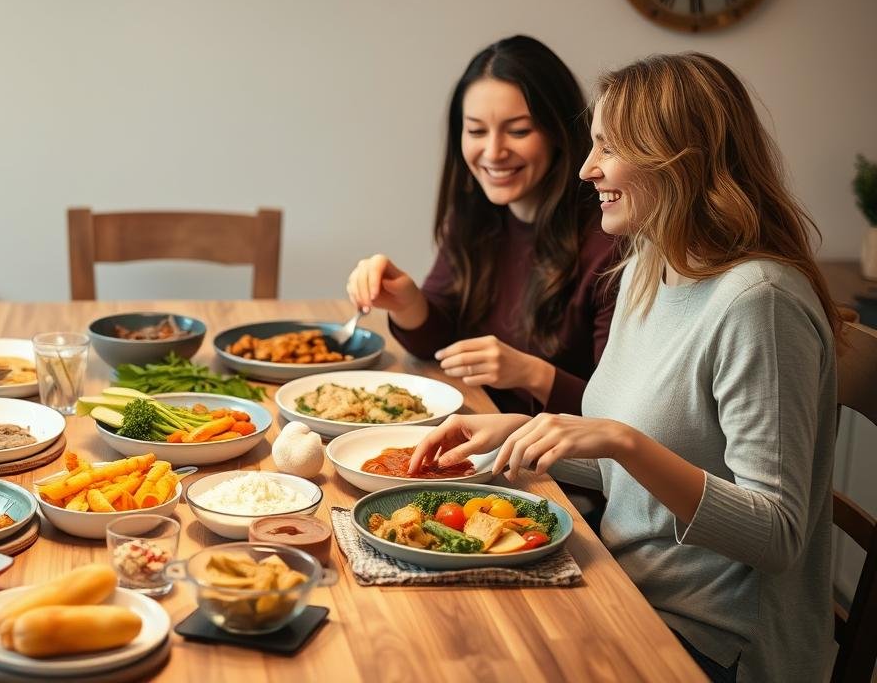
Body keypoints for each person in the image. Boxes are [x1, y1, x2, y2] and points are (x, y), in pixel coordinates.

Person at [412, 52, 840, 682]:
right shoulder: (648, 265)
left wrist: (619, 440)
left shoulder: (758, 302)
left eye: (608, 148)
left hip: (713, 643)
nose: (587, 170)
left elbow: (776, 535)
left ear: (677, 159)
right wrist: (515, 433)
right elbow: (646, 471)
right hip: (622, 585)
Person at [347, 35, 617, 415]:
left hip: (551, 467)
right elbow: (436, 345)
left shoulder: (608, 244)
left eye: (519, 131)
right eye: (476, 131)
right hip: (476, 428)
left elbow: (618, 419)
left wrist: (530, 373)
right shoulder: (476, 214)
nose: (493, 152)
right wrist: (407, 302)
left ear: (559, 131)